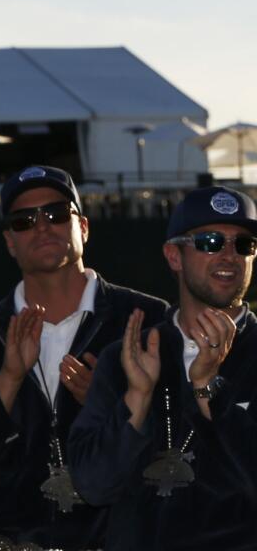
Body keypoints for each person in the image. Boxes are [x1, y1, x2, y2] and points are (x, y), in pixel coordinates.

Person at [0, 165, 167, 550]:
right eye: (24, 220)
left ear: (82, 226)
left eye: (56, 214)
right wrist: (8, 381)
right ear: (9, 241)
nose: (42, 226)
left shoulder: (148, 320)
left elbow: (176, 451)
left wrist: (111, 407)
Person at [68, 186, 257, 549]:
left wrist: (208, 389)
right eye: (210, 241)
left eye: (244, 244)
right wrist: (135, 403)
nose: (229, 255)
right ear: (174, 256)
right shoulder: (125, 356)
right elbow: (92, 485)